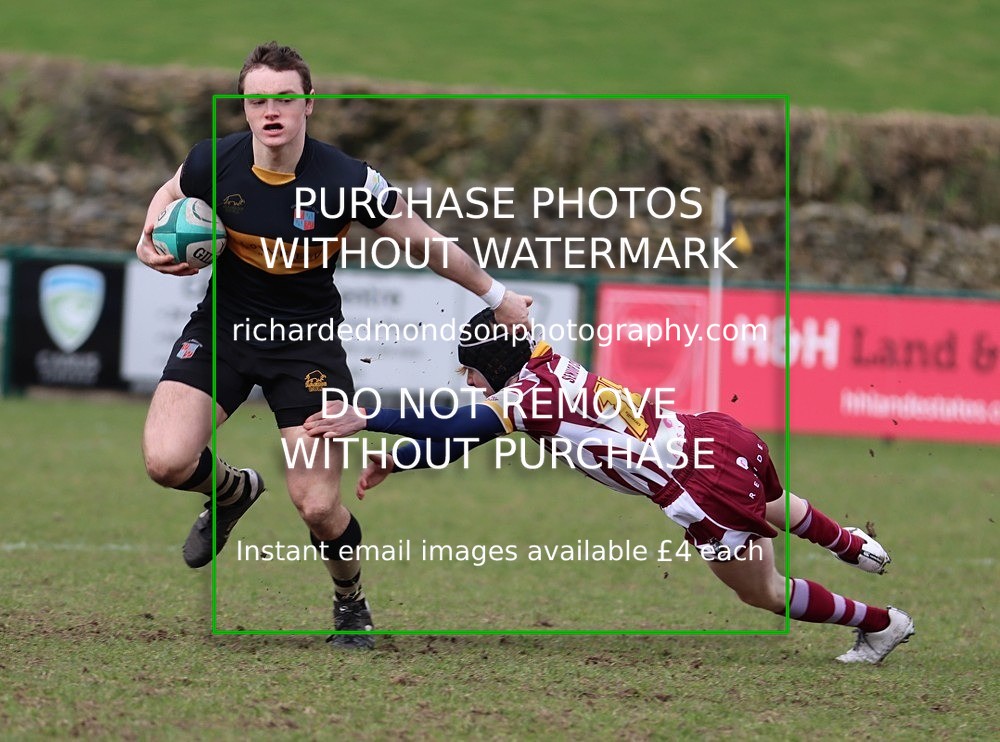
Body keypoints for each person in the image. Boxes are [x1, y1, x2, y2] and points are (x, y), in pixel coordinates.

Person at [134, 42, 531, 649]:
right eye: (258, 98)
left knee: (318, 505)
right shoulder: (212, 162)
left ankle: (350, 599)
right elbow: (168, 195)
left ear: (308, 104)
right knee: (165, 461)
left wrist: (497, 295)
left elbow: (421, 240)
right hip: (224, 331)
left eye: (285, 97)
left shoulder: (347, 179)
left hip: (306, 349)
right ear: (243, 106)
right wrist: (145, 242)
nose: (271, 110)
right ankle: (235, 490)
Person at [304, 309, 915, 664]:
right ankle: (849, 544)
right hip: (718, 436)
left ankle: (880, 622)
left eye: (469, 371)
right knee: (774, 504)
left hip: (698, 488)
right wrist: (404, 458)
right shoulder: (541, 359)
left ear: (489, 367)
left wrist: (370, 416)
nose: (468, 383)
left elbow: (464, 422)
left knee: (762, 592)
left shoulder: (527, 395)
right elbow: (468, 431)